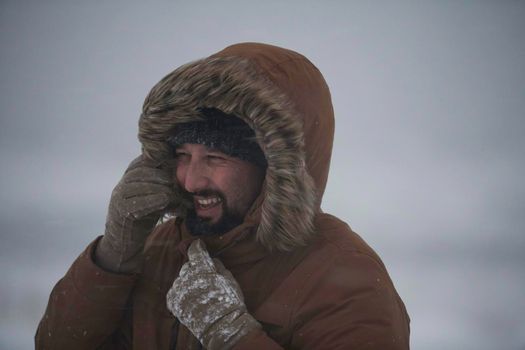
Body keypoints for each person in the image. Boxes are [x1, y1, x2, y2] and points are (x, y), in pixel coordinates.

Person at [36, 42, 410, 349]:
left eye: (215, 158)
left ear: (273, 169)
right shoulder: (161, 249)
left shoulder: (345, 279)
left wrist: (234, 335)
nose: (191, 180)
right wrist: (113, 258)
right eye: (182, 156)